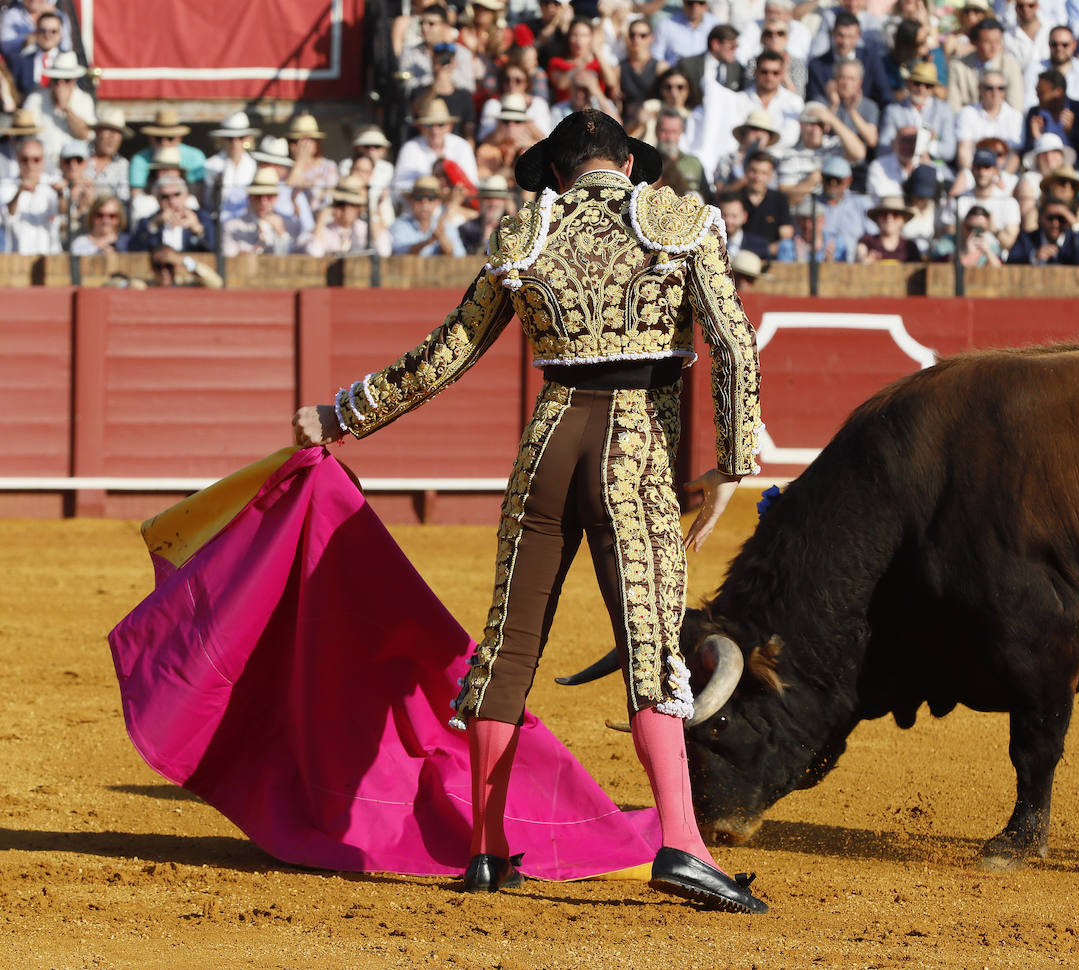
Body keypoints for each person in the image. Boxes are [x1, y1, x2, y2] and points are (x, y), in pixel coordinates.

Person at [290, 109, 767, 915]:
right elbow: (733, 341)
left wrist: (341, 415)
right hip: (633, 445)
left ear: (557, 170)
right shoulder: (679, 222)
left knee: (507, 647)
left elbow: (446, 353)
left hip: (548, 444)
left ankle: (483, 851)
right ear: (626, 162)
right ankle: (682, 842)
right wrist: (734, 460)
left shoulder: (523, 237)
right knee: (650, 644)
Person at [947, 17, 1024, 112]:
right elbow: (953, 107)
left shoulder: (1011, 66)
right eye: (987, 42)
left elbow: (1015, 107)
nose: (993, 47)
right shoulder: (958, 66)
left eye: (997, 42)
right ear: (975, 42)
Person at [220, 169, 302, 256]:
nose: (263, 201)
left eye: (269, 196)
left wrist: (282, 234)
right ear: (250, 197)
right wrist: (256, 249)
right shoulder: (232, 227)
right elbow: (228, 260)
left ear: (276, 197)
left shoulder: (291, 225)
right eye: (258, 196)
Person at [306, 179, 392, 257]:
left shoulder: (365, 230)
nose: (347, 209)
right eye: (341, 204)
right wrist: (321, 219)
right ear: (333, 205)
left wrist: (371, 214)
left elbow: (384, 252)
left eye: (353, 204)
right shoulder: (323, 231)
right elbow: (314, 253)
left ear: (360, 208)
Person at [0, 136, 57, 253]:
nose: (30, 165)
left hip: (50, 258)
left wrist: (61, 193)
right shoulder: (6, 186)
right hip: (17, 260)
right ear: (18, 160)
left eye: (36, 159)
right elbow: (9, 215)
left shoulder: (53, 185)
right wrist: (19, 192)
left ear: (43, 161)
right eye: (25, 159)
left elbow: (63, 213)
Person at [130, 108, 206, 195]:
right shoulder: (139, 159)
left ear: (179, 138)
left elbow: (199, 194)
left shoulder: (195, 156)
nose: (164, 142)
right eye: (159, 138)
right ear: (150, 138)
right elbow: (136, 194)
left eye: (170, 138)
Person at [129, 174, 213, 253]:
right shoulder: (147, 222)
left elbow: (214, 250)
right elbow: (134, 251)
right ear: (157, 199)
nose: (171, 200)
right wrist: (153, 226)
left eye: (176, 194)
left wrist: (198, 230)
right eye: (165, 196)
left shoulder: (202, 217)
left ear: (186, 195)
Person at [202, 111, 260, 222]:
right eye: (230, 138)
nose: (235, 142)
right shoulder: (211, 165)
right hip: (219, 223)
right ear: (223, 139)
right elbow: (208, 201)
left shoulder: (255, 165)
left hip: (249, 222)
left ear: (247, 139)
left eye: (240, 138)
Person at [391, 174, 465, 256]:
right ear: (410, 201)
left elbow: (460, 256)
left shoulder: (447, 227)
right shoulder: (399, 225)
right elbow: (398, 253)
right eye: (419, 197)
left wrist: (443, 240)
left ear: (438, 202)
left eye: (431, 198)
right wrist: (428, 241)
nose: (424, 203)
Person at [1007, 197, 1079, 262]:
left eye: (1061, 219)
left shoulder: (1074, 240)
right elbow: (1011, 262)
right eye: (1050, 218)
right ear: (1040, 218)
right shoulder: (1026, 239)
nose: (1055, 224)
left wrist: (1073, 222)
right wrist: (1034, 256)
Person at [858, 196, 923, 261]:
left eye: (895, 215)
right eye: (884, 215)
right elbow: (859, 259)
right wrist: (865, 262)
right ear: (877, 219)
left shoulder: (910, 247)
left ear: (903, 220)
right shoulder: (867, 242)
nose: (889, 219)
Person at [89, 105, 132, 202]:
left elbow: (123, 201)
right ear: (97, 132)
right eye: (108, 130)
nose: (112, 137)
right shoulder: (79, 157)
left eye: (117, 132)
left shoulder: (123, 165)